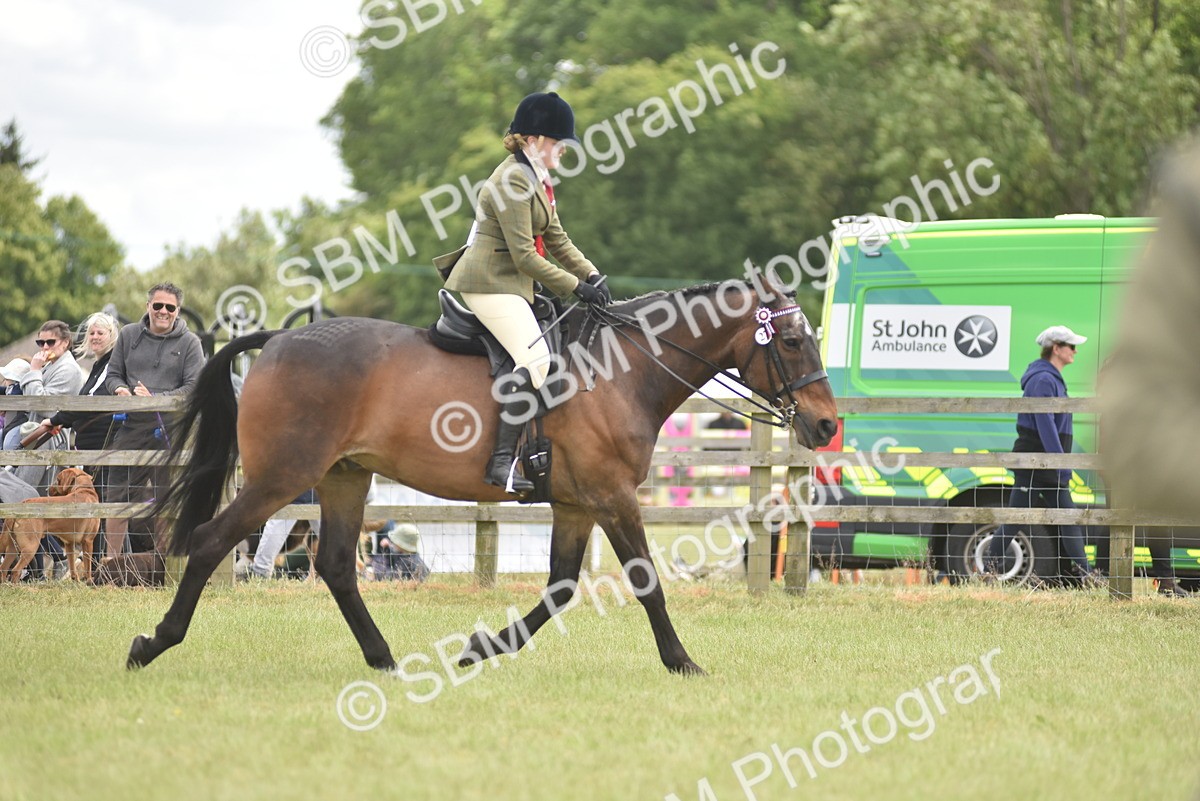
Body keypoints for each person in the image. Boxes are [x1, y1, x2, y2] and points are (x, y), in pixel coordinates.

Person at [434, 91, 611, 494]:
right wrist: (576, 287)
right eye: (558, 142)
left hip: (512, 283)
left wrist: (593, 274)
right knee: (536, 359)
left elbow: (557, 237)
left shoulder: (536, 176)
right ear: (533, 140)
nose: (564, 149)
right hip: (489, 283)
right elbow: (526, 256)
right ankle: (501, 464)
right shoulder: (513, 179)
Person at [103, 283, 205, 561]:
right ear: (147, 306)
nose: (163, 311)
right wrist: (119, 389)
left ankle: (166, 562)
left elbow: (195, 387)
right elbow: (112, 374)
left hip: (171, 430)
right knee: (118, 498)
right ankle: (111, 564)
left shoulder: (190, 343)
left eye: (169, 307)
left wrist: (155, 398)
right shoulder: (128, 335)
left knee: (168, 498)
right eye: (157, 305)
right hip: (130, 427)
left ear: (178, 311)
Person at [988, 325, 1094, 585]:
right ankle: (989, 569)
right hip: (1037, 462)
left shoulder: (1050, 378)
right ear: (1056, 348)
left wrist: (1059, 463)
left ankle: (1086, 574)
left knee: (1067, 518)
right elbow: (1045, 424)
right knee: (1017, 519)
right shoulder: (1043, 379)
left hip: (1048, 462)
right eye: (1071, 346)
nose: (1075, 351)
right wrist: (1060, 463)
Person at [36, 312, 123, 568]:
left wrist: (55, 419)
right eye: (92, 332)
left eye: (101, 332)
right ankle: (95, 566)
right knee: (99, 505)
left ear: (112, 336)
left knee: (104, 505)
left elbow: (89, 403)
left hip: (104, 446)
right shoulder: (98, 365)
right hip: (90, 447)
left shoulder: (111, 364)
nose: (95, 337)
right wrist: (65, 420)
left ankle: (109, 566)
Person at [1, 358, 31, 449]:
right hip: (10, 423)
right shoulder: (11, 388)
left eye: (7, 379)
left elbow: (13, 397)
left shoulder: (19, 389)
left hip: (19, 422)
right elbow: (4, 390)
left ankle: (10, 463)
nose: (5, 381)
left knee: (9, 445)